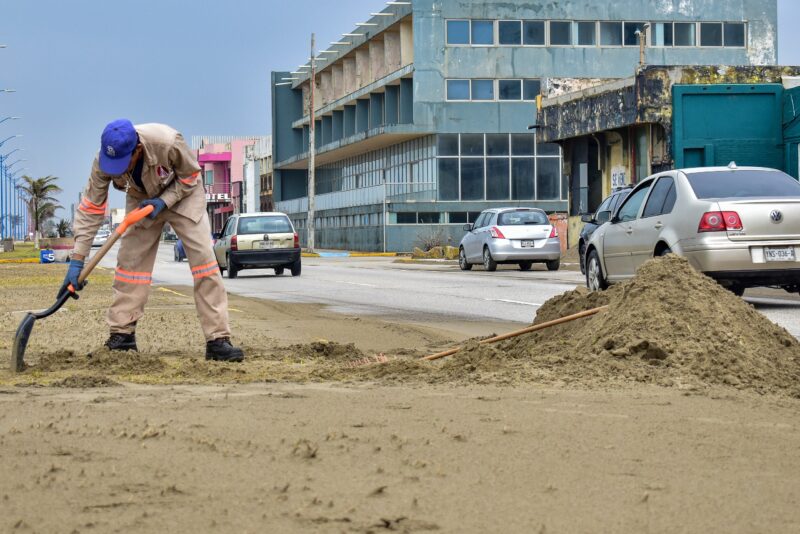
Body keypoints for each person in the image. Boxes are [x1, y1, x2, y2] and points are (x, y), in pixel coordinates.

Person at [65, 119, 244, 362]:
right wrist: (77, 259)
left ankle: (218, 340)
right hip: (140, 198)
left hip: (183, 196)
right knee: (130, 266)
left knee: (204, 264)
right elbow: (91, 208)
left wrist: (164, 201)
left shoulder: (168, 142)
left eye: (121, 163)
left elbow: (191, 176)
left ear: (137, 149)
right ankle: (122, 336)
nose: (115, 170)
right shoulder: (104, 161)